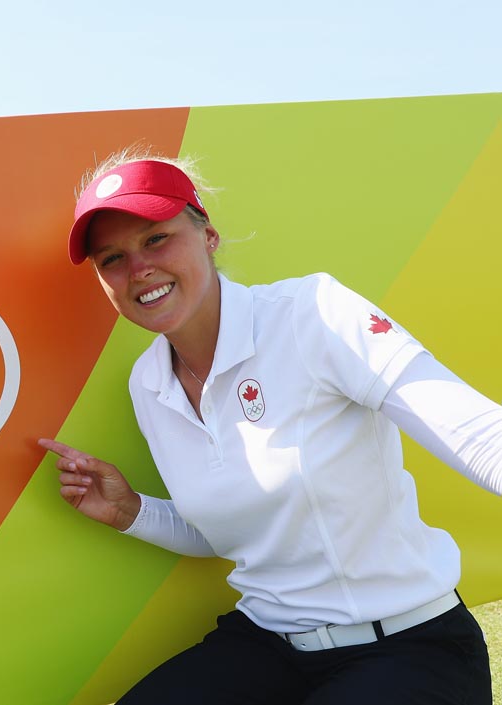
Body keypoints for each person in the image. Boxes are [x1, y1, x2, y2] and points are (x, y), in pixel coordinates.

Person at [38, 149, 500, 704]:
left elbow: (473, 430)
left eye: (156, 239)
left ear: (207, 235)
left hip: (409, 647)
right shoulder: (147, 384)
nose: (138, 270)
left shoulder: (313, 313)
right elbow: (229, 530)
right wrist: (131, 512)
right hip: (267, 644)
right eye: (112, 258)